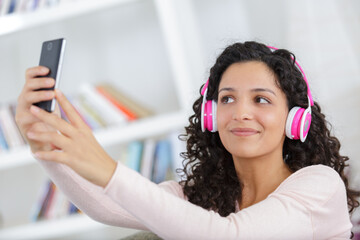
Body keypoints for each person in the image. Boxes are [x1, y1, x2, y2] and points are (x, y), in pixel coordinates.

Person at [16, 41, 359, 239]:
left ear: (295, 118)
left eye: (261, 99)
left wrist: (106, 167)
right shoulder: (204, 194)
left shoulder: (319, 185)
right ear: (210, 116)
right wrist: (44, 146)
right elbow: (108, 205)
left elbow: (229, 236)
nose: (240, 113)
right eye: (227, 98)